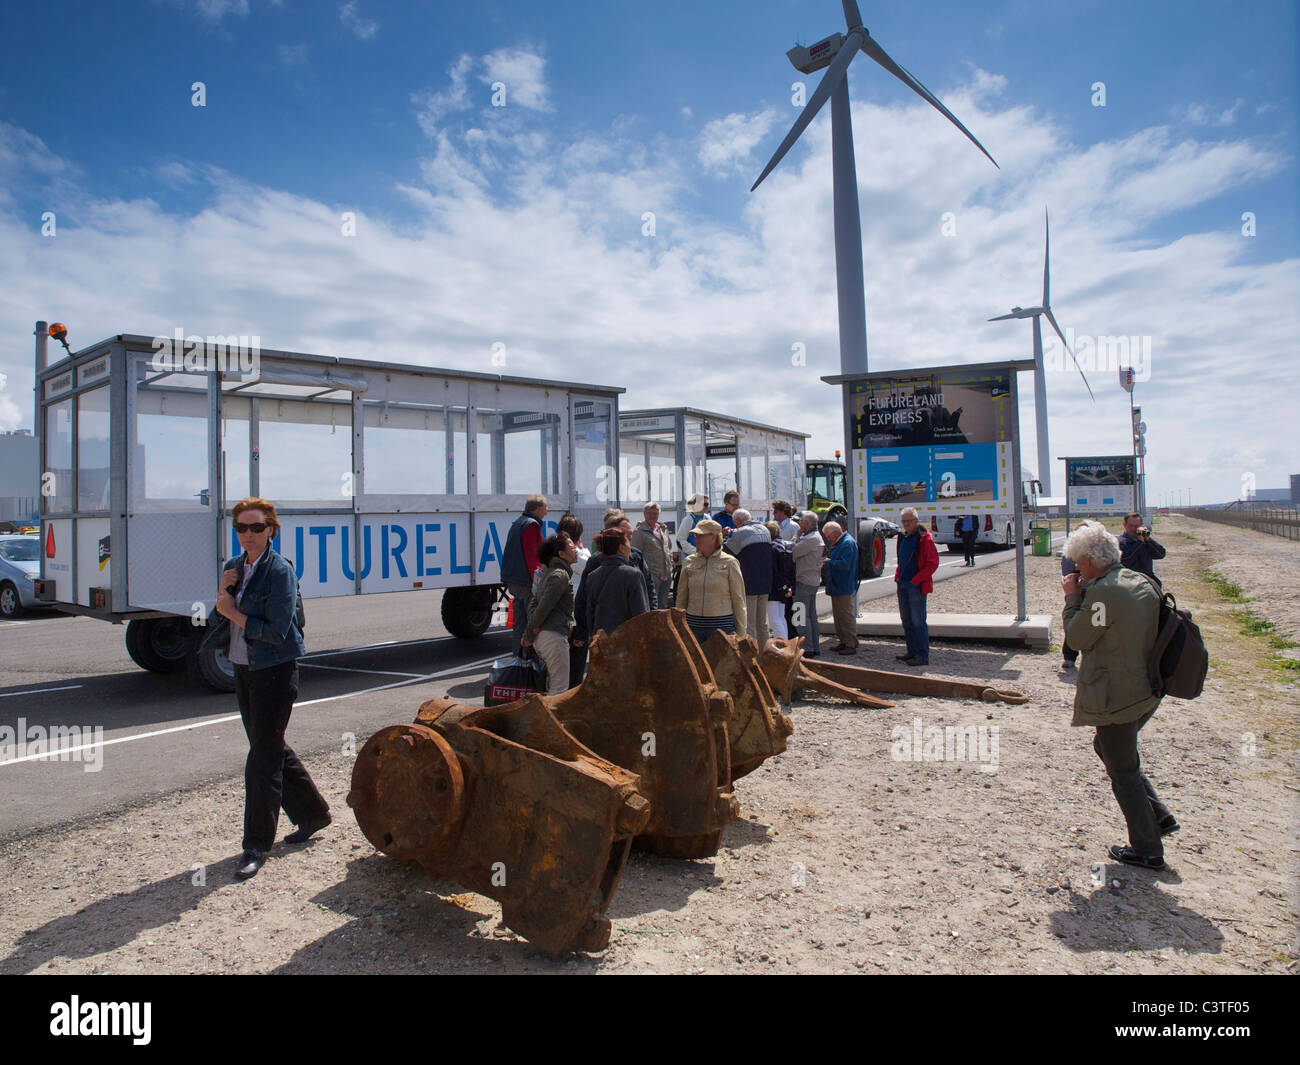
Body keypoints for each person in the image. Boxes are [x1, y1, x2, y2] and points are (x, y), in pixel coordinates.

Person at [205, 497, 329, 880]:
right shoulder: (233, 567)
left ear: (271, 529)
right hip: (245, 669)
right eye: (241, 528)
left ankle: (255, 844)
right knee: (269, 745)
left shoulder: (279, 572)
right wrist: (225, 593)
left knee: (262, 757)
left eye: (256, 528)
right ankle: (313, 812)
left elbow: (276, 632)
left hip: (275, 670)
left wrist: (234, 611)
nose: (248, 535)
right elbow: (218, 619)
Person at [1062, 520, 1175, 870]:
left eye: (1079, 563)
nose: (1077, 570)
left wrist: (1072, 598)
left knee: (1123, 771)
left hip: (1118, 696)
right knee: (1111, 751)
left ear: (1094, 560)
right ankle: (1159, 817)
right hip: (1146, 690)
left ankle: (1147, 849)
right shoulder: (1139, 581)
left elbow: (1077, 639)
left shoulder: (1103, 594)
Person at [675, 519, 748, 647]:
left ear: (714, 537)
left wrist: (741, 634)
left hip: (722, 627)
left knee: (721, 667)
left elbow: (739, 599)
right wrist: (679, 626)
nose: (696, 539)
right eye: (695, 535)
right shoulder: (689, 562)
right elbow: (681, 597)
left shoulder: (730, 562)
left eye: (701, 535)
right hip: (693, 626)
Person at [521, 532, 578, 694]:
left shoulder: (549, 572)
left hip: (544, 637)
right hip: (553, 637)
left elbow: (534, 603)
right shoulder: (559, 575)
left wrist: (531, 632)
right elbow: (543, 608)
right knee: (558, 690)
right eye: (572, 547)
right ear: (561, 554)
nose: (576, 551)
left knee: (549, 688)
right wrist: (529, 634)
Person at [583, 528, 650, 641]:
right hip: (627, 643)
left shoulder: (592, 576)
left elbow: (590, 614)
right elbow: (641, 617)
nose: (631, 547)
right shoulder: (633, 575)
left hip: (602, 643)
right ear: (621, 548)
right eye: (628, 541)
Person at [501, 494, 547, 653]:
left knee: (519, 623)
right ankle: (529, 659)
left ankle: (518, 658)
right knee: (532, 623)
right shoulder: (531, 525)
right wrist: (539, 583)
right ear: (539, 508)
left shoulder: (518, 523)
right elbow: (532, 557)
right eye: (545, 508)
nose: (546, 512)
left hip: (514, 580)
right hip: (525, 581)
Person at [893, 508, 939, 666]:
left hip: (915, 586)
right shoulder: (903, 537)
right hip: (903, 583)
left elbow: (932, 563)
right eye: (904, 521)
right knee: (906, 620)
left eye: (909, 521)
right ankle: (912, 651)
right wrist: (898, 575)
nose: (906, 524)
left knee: (918, 621)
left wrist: (916, 580)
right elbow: (902, 559)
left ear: (916, 520)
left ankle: (922, 655)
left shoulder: (924, 539)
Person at [723, 507, 774, 647]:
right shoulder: (765, 530)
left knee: (749, 623)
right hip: (765, 583)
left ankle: (753, 656)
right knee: (762, 623)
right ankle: (765, 653)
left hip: (750, 583)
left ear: (738, 521)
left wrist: (724, 535)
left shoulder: (741, 532)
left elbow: (726, 550)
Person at [557, 514, 590, 685]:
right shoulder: (580, 555)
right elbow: (589, 566)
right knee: (576, 668)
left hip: (556, 619)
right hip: (576, 618)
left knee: (557, 671)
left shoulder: (553, 553)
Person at [604, 509, 657, 608]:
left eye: (631, 534)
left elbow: (649, 587)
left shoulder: (636, 556)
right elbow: (586, 600)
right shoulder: (598, 561)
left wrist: (652, 613)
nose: (631, 538)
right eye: (625, 535)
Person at [823, 521, 860, 655]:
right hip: (838, 584)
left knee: (845, 615)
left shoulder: (847, 543)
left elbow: (845, 565)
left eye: (828, 536)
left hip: (843, 584)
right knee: (839, 616)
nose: (828, 539)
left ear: (836, 533)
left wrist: (828, 561)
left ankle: (850, 643)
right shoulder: (842, 542)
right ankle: (844, 641)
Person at [791, 511, 825, 656]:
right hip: (812, 580)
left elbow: (792, 552)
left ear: (807, 523)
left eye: (801, 521)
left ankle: (807, 648)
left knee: (800, 615)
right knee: (811, 615)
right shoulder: (815, 537)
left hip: (802, 580)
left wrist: (795, 537)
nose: (799, 523)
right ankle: (814, 646)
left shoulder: (809, 539)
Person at [631, 502, 673, 609]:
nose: (653, 516)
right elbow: (635, 554)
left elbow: (669, 548)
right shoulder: (639, 532)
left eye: (655, 513)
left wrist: (671, 565)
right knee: (652, 605)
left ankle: (662, 625)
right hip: (652, 575)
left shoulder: (663, 529)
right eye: (650, 513)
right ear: (644, 514)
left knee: (664, 604)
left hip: (666, 574)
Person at [764, 521, 795, 639]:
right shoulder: (786, 545)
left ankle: (782, 644)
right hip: (784, 585)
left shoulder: (771, 548)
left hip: (774, 587)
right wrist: (788, 586)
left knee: (774, 619)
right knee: (781, 617)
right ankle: (785, 642)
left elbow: (774, 570)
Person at [1118, 513, 1167, 585]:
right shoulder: (1120, 542)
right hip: (1129, 581)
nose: (1133, 529)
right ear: (1125, 525)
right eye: (1131, 526)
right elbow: (1127, 560)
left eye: (1136, 526)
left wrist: (1148, 540)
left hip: (1147, 580)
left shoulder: (1145, 541)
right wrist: (1139, 543)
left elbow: (1161, 554)